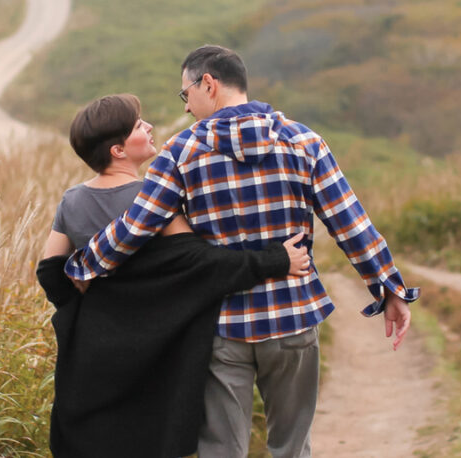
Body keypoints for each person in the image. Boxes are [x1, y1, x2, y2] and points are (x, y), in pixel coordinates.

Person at [65, 46, 419, 458]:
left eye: (186, 94)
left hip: (219, 326)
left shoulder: (180, 152)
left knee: (221, 451)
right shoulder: (304, 141)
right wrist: (388, 288)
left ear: (208, 84)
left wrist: (84, 266)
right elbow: (350, 223)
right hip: (293, 318)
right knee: (292, 448)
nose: (186, 107)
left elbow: (137, 226)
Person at [35, 93, 313, 457]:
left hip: (92, 354)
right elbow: (200, 264)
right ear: (119, 150)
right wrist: (276, 260)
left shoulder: (71, 200)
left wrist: (86, 309)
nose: (149, 127)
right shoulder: (155, 199)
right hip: (155, 355)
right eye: (139, 125)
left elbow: (50, 272)